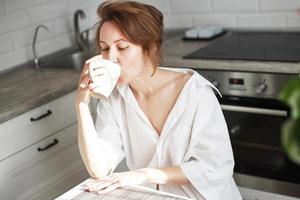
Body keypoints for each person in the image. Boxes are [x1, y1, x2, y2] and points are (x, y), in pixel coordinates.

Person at [75, 1, 242, 200]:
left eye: (122, 47)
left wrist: (143, 174)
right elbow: (99, 169)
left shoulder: (195, 92)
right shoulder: (113, 99)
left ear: (150, 48)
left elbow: (214, 166)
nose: (110, 57)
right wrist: (82, 104)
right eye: (104, 48)